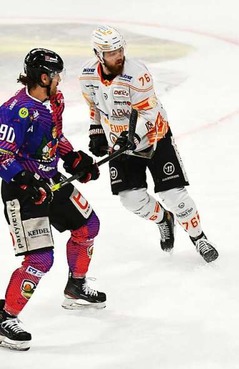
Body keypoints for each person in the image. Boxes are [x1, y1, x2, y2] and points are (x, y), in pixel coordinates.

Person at [79, 25, 218, 263]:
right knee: (130, 199)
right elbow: (95, 108)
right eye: (111, 53)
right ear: (98, 54)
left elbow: (149, 115)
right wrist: (96, 132)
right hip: (120, 144)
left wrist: (132, 137)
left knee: (174, 194)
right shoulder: (87, 77)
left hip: (154, 137)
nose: (118, 55)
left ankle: (199, 237)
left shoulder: (137, 74)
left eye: (120, 50)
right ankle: (164, 219)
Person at [0, 48, 104, 351]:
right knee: (41, 259)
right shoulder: (14, 111)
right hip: (21, 192)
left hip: (50, 181)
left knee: (88, 226)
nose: (60, 80)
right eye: (57, 75)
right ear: (44, 77)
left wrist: (73, 158)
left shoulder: (54, 101)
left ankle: (76, 285)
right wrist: (25, 181)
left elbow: (54, 138)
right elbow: (2, 156)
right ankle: (6, 317)